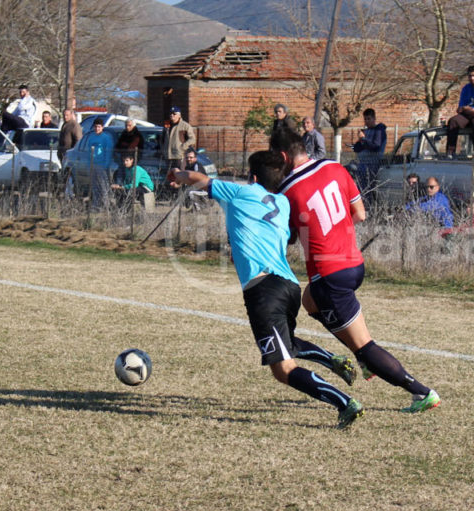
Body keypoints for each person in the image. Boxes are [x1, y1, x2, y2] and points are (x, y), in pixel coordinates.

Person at [171, 151, 365, 429]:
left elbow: (198, 178)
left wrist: (178, 176)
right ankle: (333, 360)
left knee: (283, 369)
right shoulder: (283, 202)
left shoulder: (240, 192)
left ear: (252, 176)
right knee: (287, 345)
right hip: (289, 286)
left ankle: (344, 403)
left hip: (263, 291)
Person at [271, 132, 442, 414]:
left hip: (329, 273)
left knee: (365, 346)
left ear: (283, 157)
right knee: (310, 301)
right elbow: (360, 214)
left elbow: (287, 236)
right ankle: (362, 359)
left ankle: (421, 392)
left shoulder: (286, 190)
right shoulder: (334, 167)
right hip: (353, 264)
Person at [351, 107, 386, 195]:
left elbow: (375, 146)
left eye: (369, 119)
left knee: (368, 189)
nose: (367, 121)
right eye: (365, 119)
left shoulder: (379, 130)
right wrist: (361, 140)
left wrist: (364, 139)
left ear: (374, 118)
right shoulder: (366, 131)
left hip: (373, 163)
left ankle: (369, 205)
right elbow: (357, 148)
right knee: (360, 189)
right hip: (363, 163)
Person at [82, 118, 114, 210]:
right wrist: (89, 164)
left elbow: (108, 153)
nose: (97, 128)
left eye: (99, 127)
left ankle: (105, 205)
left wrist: (105, 165)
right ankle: (97, 204)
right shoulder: (91, 138)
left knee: (103, 186)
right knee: (95, 186)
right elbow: (88, 152)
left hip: (102, 165)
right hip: (92, 165)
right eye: (95, 127)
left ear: (102, 127)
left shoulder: (106, 138)